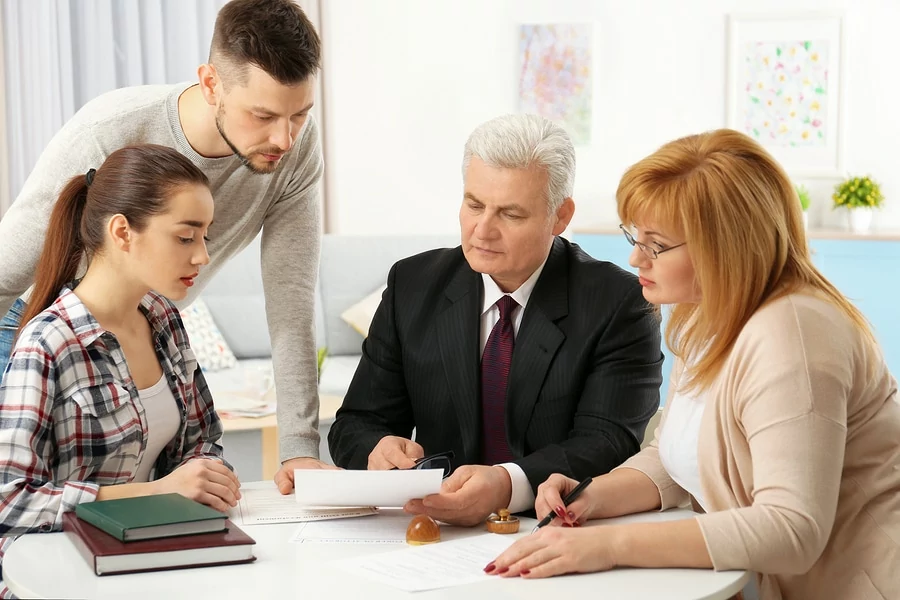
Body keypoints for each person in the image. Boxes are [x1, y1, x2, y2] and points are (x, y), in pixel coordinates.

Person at [486, 129, 900, 599]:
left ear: (725, 246)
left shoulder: (793, 334)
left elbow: (792, 530)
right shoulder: (707, 316)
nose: (635, 257)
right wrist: (593, 497)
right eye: (635, 236)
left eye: (656, 245)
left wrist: (610, 544)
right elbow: (676, 456)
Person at [0, 0, 333, 494]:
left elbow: (291, 306)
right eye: (262, 115)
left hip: (148, 328)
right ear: (211, 83)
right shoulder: (108, 132)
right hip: (44, 335)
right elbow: (5, 277)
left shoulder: (294, 151)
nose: (283, 139)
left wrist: (300, 449)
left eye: (300, 115)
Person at [327, 114, 663, 527]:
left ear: (560, 216)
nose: (482, 230)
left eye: (510, 214)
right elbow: (354, 425)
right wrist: (377, 449)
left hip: (556, 529)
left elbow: (607, 441)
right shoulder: (411, 285)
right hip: (435, 531)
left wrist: (506, 484)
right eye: (474, 205)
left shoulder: (619, 303)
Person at [0, 145, 242, 591]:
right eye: (186, 237)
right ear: (122, 232)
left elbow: (202, 440)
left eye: (206, 236)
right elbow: (9, 501)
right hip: (60, 571)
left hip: (144, 553)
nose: (202, 256)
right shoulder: (48, 343)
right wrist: (157, 492)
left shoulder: (163, 318)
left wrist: (206, 477)